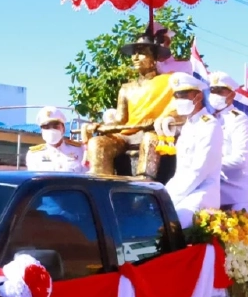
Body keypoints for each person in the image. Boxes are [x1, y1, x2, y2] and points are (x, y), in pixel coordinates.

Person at [83, 26, 174, 177]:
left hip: (153, 132)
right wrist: (100, 126)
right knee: (97, 143)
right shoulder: (126, 88)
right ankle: (101, 186)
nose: (136, 57)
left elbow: (176, 110)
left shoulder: (169, 82)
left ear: (154, 58)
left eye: (142, 53)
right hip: (126, 134)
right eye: (134, 53)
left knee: (149, 138)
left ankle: (144, 185)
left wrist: (159, 122)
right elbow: (120, 120)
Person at [163, 73, 222, 228]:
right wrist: (163, 195)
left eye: (183, 95)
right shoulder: (188, 125)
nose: (179, 100)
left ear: (198, 96)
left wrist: (169, 198)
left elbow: (199, 171)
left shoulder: (210, 125)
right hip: (183, 191)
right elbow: (181, 172)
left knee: (175, 224)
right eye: (176, 95)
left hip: (203, 192)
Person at [206, 72, 248, 212]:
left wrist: (207, 164)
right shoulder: (210, 119)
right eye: (212, 91)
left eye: (220, 91)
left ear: (231, 95)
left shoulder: (239, 120)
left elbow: (241, 159)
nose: (215, 95)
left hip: (242, 194)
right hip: (220, 193)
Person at [26, 107, 87, 173]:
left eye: (55, 126)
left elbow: (87, 176)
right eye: (46, 127)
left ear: (63, 129)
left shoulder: (79, 150)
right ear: (41, 131)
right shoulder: (34, 155)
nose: (51, 130)